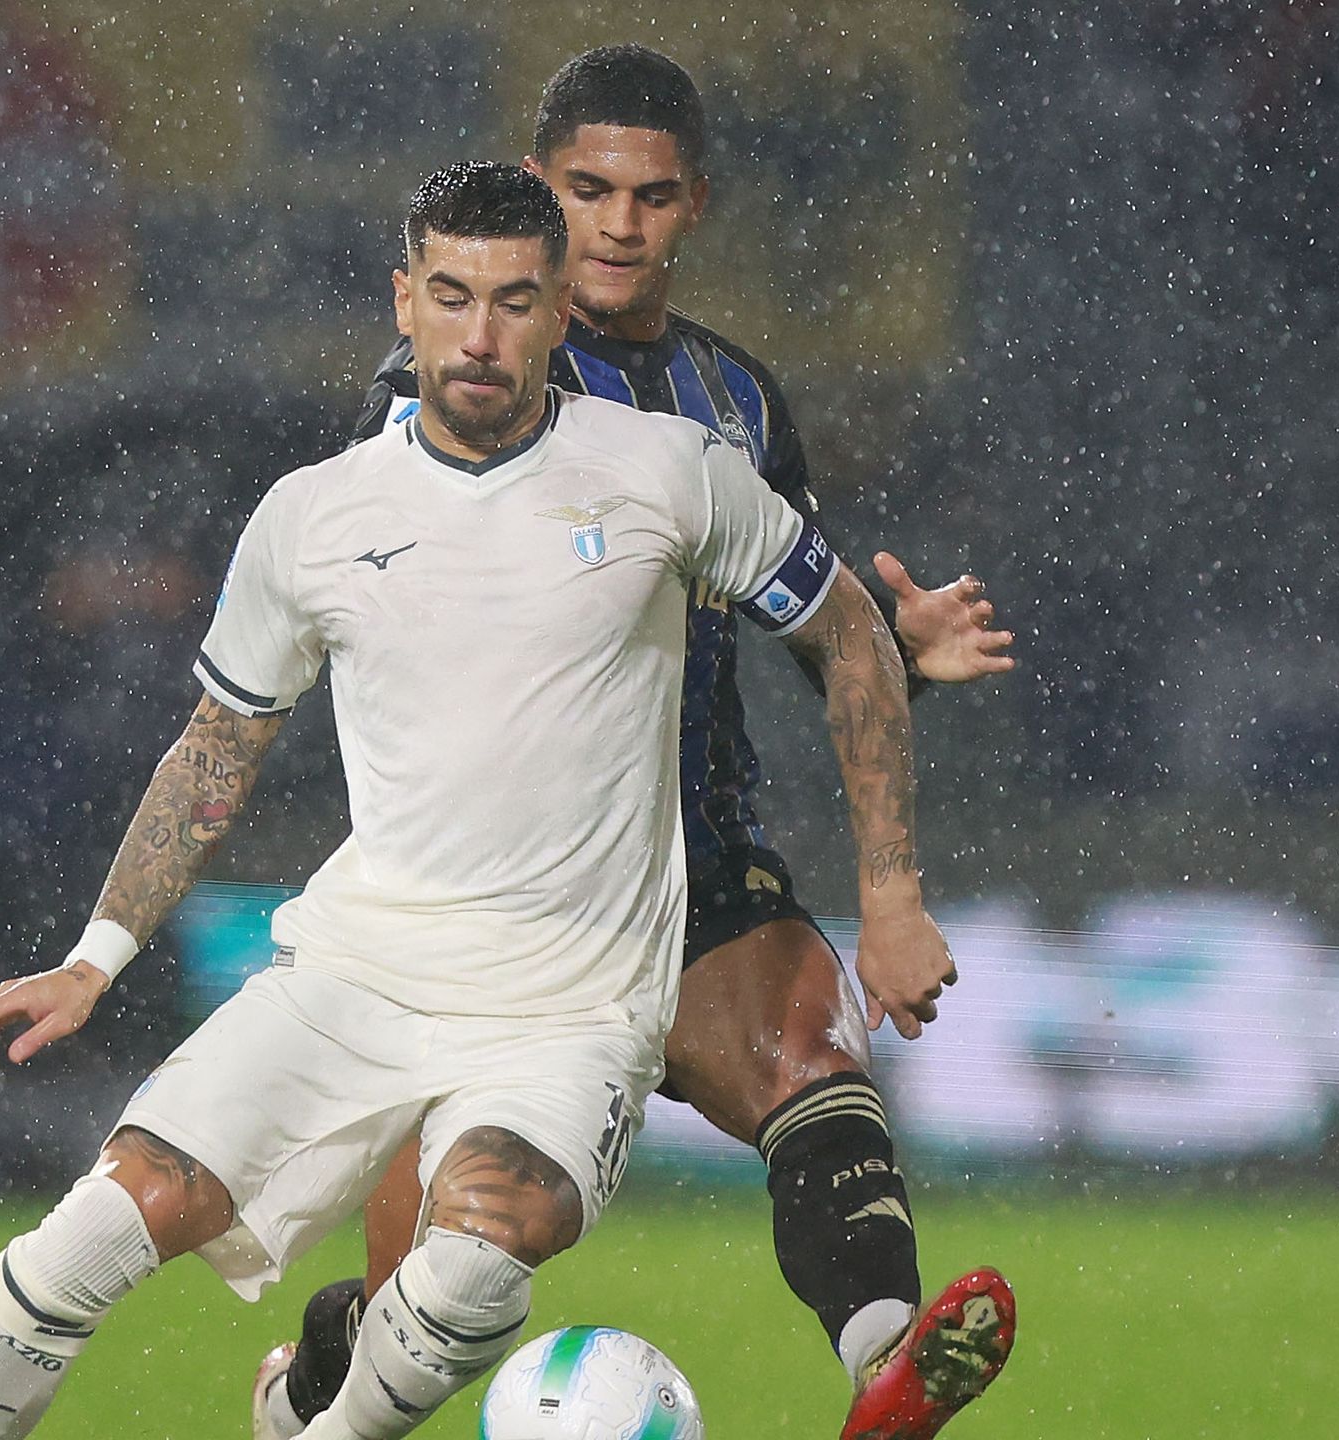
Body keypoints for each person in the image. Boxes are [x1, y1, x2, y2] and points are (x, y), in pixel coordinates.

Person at [0, 160, 947, 1440]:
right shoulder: (313, 516)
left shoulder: (671, 472)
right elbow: (215, 751)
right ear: (404, 301)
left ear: (559, 312)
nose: (479, 336)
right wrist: (94, 957)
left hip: (569, 1015)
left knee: (475, 1261)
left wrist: (891, 888)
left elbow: (851, 635)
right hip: (353, 979)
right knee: (78, 1248)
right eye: (451, 297)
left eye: (513, 301)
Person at [252, 48, 1016, 1440]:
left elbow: (812, 625)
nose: (617, 224)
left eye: (651, 196)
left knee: (812, 1062)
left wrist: (896, 671)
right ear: (534, 191)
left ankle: (888, 1367)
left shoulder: (739, 403)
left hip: (693, 857)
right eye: (587, 190)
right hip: (499, 896)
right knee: (431, 1300)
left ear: (694, 205)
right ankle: (325, 1373)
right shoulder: (450, 383)